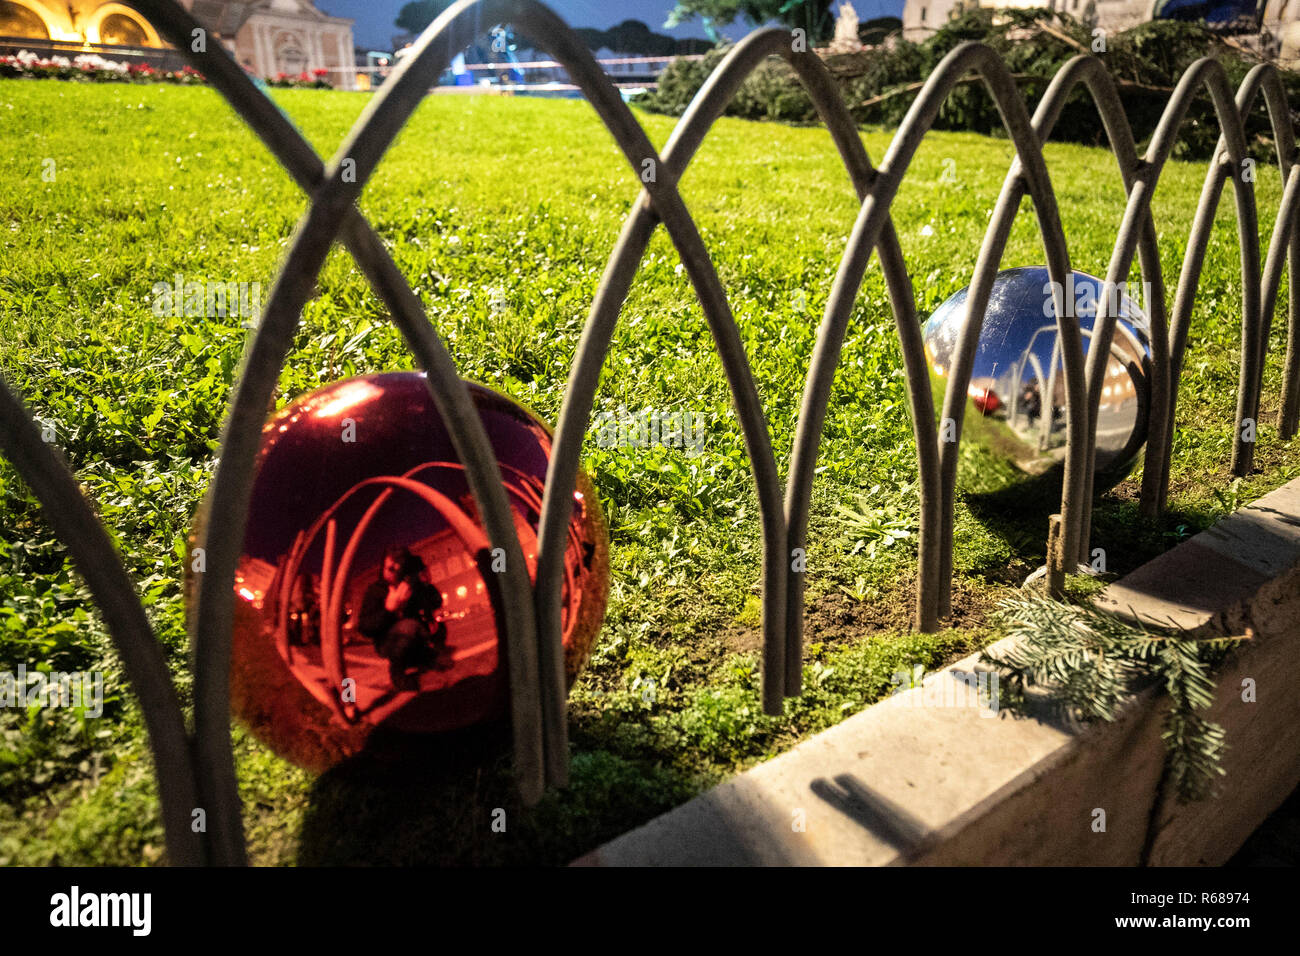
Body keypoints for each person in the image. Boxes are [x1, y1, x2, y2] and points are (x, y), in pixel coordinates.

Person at [358, 546, 450, 692]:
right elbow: (364, 628)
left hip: (416, 636)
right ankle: (397, 673)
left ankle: (422, 657)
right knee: (408, 627)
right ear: (383, 566)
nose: (393, 573)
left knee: (438, 626)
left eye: (398, 568)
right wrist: (389, 609)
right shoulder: (375, 590)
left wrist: (427, 583)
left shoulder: (410, 584)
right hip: (388, 642)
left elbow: (437, 602)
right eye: (390, 568)